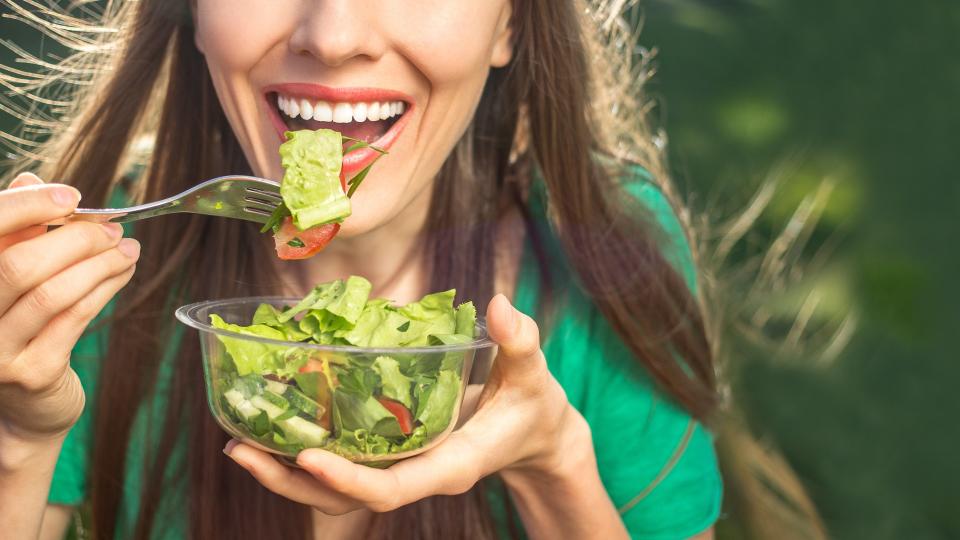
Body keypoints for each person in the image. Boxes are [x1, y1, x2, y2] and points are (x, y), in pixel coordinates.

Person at [0, 0, 722, 538]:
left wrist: (553, 464)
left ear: (510, 21)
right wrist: (18, 435)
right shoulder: (89, 271)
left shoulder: (604, 248)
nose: (334, 36)